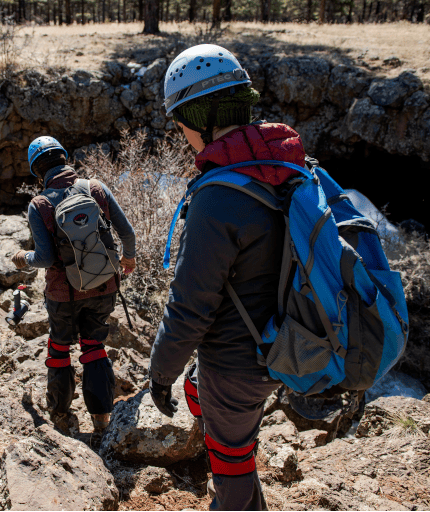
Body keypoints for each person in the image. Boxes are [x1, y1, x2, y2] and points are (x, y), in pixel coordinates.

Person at [148, 44, 308, 511]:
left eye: (181, 125)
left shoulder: (218, 197)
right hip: (282, 337)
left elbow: (190, 306)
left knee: (231, 457)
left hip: (237, 360)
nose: (182, 137)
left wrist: (160, 372)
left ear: (202, 119)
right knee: (213, 408)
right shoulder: (284, 165)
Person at [11, 136, 137, 438]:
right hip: (104, 285)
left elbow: (44, 258)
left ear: (37, 172)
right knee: (94, 345)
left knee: (59, 347)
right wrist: (127, 260)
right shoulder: (96, 188)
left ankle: (60, 411)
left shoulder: (39, 205)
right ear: (64, 159)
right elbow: (127, 233)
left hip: (63, 294)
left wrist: (22, 258)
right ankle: (101, 418)